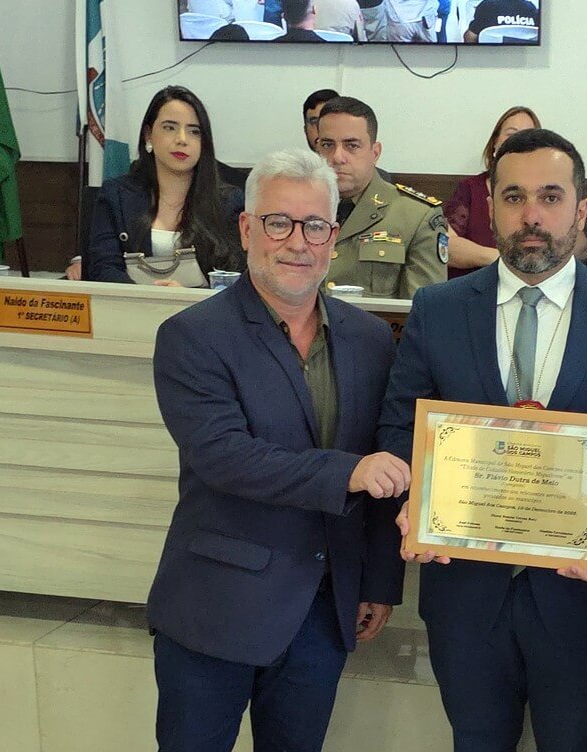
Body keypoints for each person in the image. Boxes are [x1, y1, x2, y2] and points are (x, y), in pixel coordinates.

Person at [378, 128, 587, 751]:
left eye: (550, 196)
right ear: (491, 206)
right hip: (465, 595)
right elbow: (402, 428)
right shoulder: (438, 308)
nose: (531, 215)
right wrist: (413, 504)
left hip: (581, 600)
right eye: (513, 197)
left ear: (581, 209)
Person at [148, 148, 409, 751]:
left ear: (333, 237)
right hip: (215, 610)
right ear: (247, 229)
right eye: (278, 222)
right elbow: (225, 457)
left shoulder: (371, 339)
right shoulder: (192, 337)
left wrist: (378, 580)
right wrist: (350, 473)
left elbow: (387, 459)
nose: (297, 242)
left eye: (314, 225)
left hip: (322, 613)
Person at [81, 86, 243, 284]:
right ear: (148, 135)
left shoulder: (229, 202)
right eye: (170, 128)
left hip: (202, 304)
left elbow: (235, 277)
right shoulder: (116, 195)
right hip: (131, 302)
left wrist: (185, 296)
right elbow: (103, 268)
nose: (182, 140)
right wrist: (152, 296)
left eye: (194, 131)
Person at [314, 96, 447, 297]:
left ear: (375, 153)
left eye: (351, 146)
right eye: (327, 145)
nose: (337, 157)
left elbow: (424, 308)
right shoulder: (298, 208)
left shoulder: (416, 216)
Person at [444, 105, 540, 278]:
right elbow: (445, 245)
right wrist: (502, 260)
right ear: (495, 143)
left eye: (528, 135)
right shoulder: (471, 188)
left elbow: (579, 247)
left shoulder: (548, 191)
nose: (519, 141)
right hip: (474, 286)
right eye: (511, 134)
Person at [463, 0, 539, 43]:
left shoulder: (487, 6)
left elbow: (470, 37)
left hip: (487, 58)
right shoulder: (531, 7)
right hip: (523, 58)